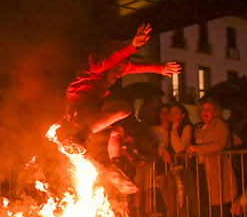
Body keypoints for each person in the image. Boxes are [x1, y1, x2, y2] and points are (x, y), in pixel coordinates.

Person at [58, 23, 180, 194]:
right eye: (116, 70)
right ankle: (79, 137)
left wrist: (160, 68)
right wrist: (133, 45)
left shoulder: (116, 68)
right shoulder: (96, 68)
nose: (118, 75)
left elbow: (133, 67)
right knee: (123, 108)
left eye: (120, 72)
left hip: (88, 113)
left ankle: (114, 167)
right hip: (77, 109)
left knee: (117, 129)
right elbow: (109, 61)